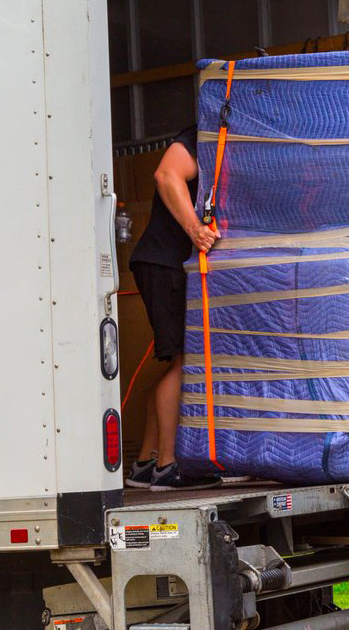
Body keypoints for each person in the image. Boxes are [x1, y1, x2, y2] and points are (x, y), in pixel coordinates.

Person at [124, 126, 223, 491]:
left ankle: (145, 461)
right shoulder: (205, 133)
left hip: (161, 262)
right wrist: (195, 228)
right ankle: (168, 467)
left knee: (175, 362)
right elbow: (166, 173)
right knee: (185, 361)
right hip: (167, 263)